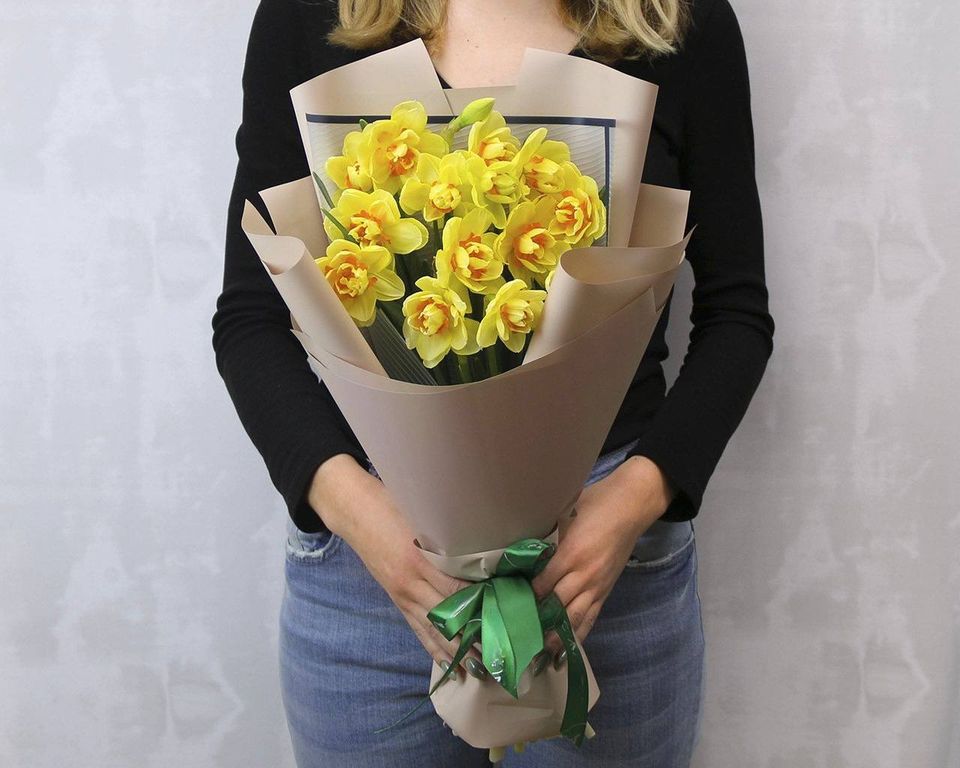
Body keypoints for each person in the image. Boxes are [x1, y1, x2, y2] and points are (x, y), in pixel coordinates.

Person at [211, 0, 774, 765]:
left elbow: (736, 317)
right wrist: (372, 529)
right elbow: (250, 320)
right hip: (369, 565)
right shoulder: (307, 15)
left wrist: (630, 507)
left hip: (602, 566)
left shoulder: (676, 21)